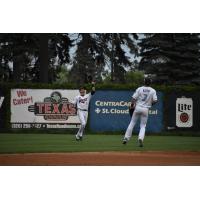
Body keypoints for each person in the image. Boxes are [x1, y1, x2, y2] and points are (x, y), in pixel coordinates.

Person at [122, 77, 157, 147]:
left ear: (144, 82)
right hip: (145, 109)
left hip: (137, 108)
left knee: (132, 123)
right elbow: (155, 100)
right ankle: (140, 138)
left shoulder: (139, 89)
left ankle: (126, 138)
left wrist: (132, 105)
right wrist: (150, 104)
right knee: (143, 126)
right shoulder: (153, 90)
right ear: (150, 82)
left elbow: (133, 98)